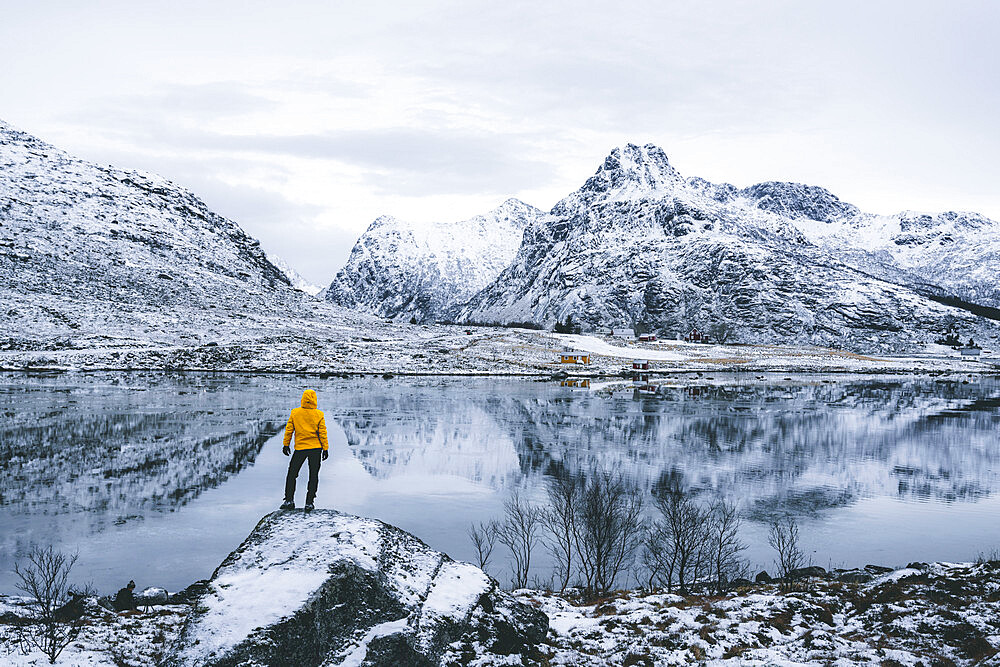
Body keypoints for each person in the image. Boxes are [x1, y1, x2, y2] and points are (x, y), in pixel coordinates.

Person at [280, 389, 329, 512]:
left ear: (303, 398)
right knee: (313, 475)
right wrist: (325, 448)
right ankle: (309, 503)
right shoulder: (319, 414)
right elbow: (323, 433)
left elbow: (289, 430)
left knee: (292, 474)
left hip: (300, 448)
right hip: (315, 449)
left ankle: (289, 500)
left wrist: (286, 444)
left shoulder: (295, 412)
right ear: (315, 400)